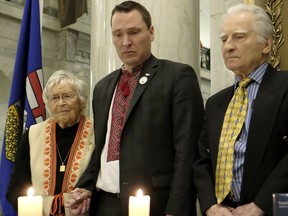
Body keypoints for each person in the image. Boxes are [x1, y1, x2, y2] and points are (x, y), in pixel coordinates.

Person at [66, 1, 204, 215]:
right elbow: (101, 149)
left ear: (151, 32)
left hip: (154, 204)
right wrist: (85, 185)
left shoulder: (176, 77)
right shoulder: (103, 87)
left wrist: (177, 210)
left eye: (134, 32)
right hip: (104, 205)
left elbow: (187, 152)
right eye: (117, 34)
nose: (126, 42)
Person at [193, 4, 288, 216]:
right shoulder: (216, 102)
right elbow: (201, 160)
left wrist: (261, 206)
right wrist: (210, 206)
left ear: (266, 44)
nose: (228, 46)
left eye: (239, 37)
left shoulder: (285, 88)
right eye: (224, 39)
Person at [6, 70, 95, 216]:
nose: (61, 103)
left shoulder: (97, 132)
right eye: (54, 98)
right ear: (48, 104)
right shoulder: (32, 134)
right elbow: (16, 187)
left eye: (67, 96)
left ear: (81, 100)